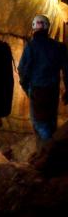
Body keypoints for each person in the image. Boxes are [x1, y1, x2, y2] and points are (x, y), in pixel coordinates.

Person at [18, 14, 68, 148]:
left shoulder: (31, 47)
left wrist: (27, 87)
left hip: (37, 91)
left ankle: (46, 154)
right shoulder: (59, 47)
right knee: (51, 123)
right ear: (47, 29)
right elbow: (66, 69)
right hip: (53, 90)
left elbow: (22, 69)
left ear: (34, 29)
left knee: (40, 125)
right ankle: (49, 157)